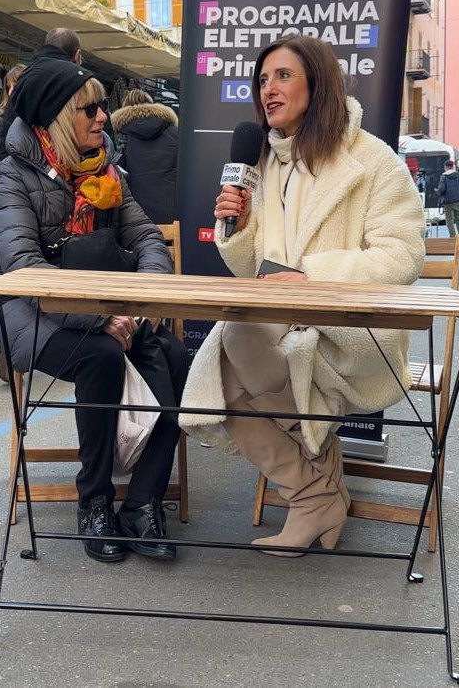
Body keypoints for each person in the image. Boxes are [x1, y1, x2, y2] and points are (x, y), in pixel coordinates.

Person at [182, 35, 425, 556]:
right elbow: (249, 267)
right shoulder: (264, 164)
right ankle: (316, 493)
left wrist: (312, 278)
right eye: (263, 79)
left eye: (283, 76)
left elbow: (402, 257)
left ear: (318, 83)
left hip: (349, 330)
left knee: (227, 365)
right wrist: (239, 226)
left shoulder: (372, 161)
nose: (269, 89)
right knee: (228, 355)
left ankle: (311, 494)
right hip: (281, 323)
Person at [0, 58, 188, 563]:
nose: (104, 118)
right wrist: (101, 317)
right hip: (27, 312)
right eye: (90, 109)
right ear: (56, 116)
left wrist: (145, 303)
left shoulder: (108, 173)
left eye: (103, 107)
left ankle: (143, 503)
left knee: (174, 353)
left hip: (111, 310)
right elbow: (25, 270)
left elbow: (146, 239)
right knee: (100, 355)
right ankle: (94, 501)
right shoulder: (11, 177)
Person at [0, 28, 84, 164]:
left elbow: (6, 139)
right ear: (77, 55)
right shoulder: (80, 81)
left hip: (22, 171)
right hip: (69, 170)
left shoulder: (25, 80)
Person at [111, 89, 179, 223]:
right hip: (170, 213)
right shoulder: (176, 134)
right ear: (152, 105)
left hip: (131, 217)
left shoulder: (117, 138)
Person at [436, 159, 459, 241]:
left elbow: (442, 189)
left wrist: (437, 191)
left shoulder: (444, 176)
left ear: (446, 167)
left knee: (449, 220)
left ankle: (453, 238)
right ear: (452, 167)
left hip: (448, 201)